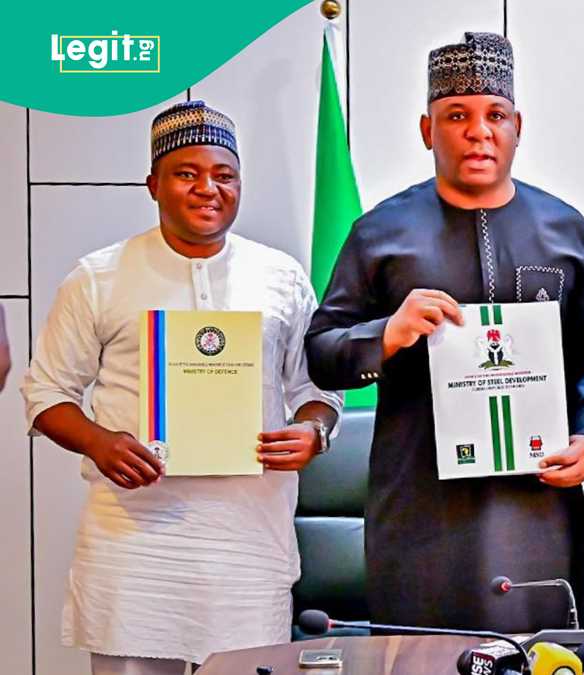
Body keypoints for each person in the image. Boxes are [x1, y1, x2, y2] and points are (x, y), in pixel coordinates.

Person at [304, 32, 584, 632]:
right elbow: (321, 354)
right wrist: (387, 334)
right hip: (421, 510)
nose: (478, 132)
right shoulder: (381, 233)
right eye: (456, 116)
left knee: (541, 656)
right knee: (418, 659)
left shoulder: (566, 231)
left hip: (535, 505)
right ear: (427, 130)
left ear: (518, 127)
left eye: (495, 115)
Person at [21, 100, 342, 674]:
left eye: (224, 175)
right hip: (134, 550)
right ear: (153, 184)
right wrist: (99, 442)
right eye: (186, 174)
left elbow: (317, 389)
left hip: (249, 548)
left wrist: (313, 431)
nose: (208, 189)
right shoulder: (99, 277)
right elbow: (46, 393)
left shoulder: (281, 276)